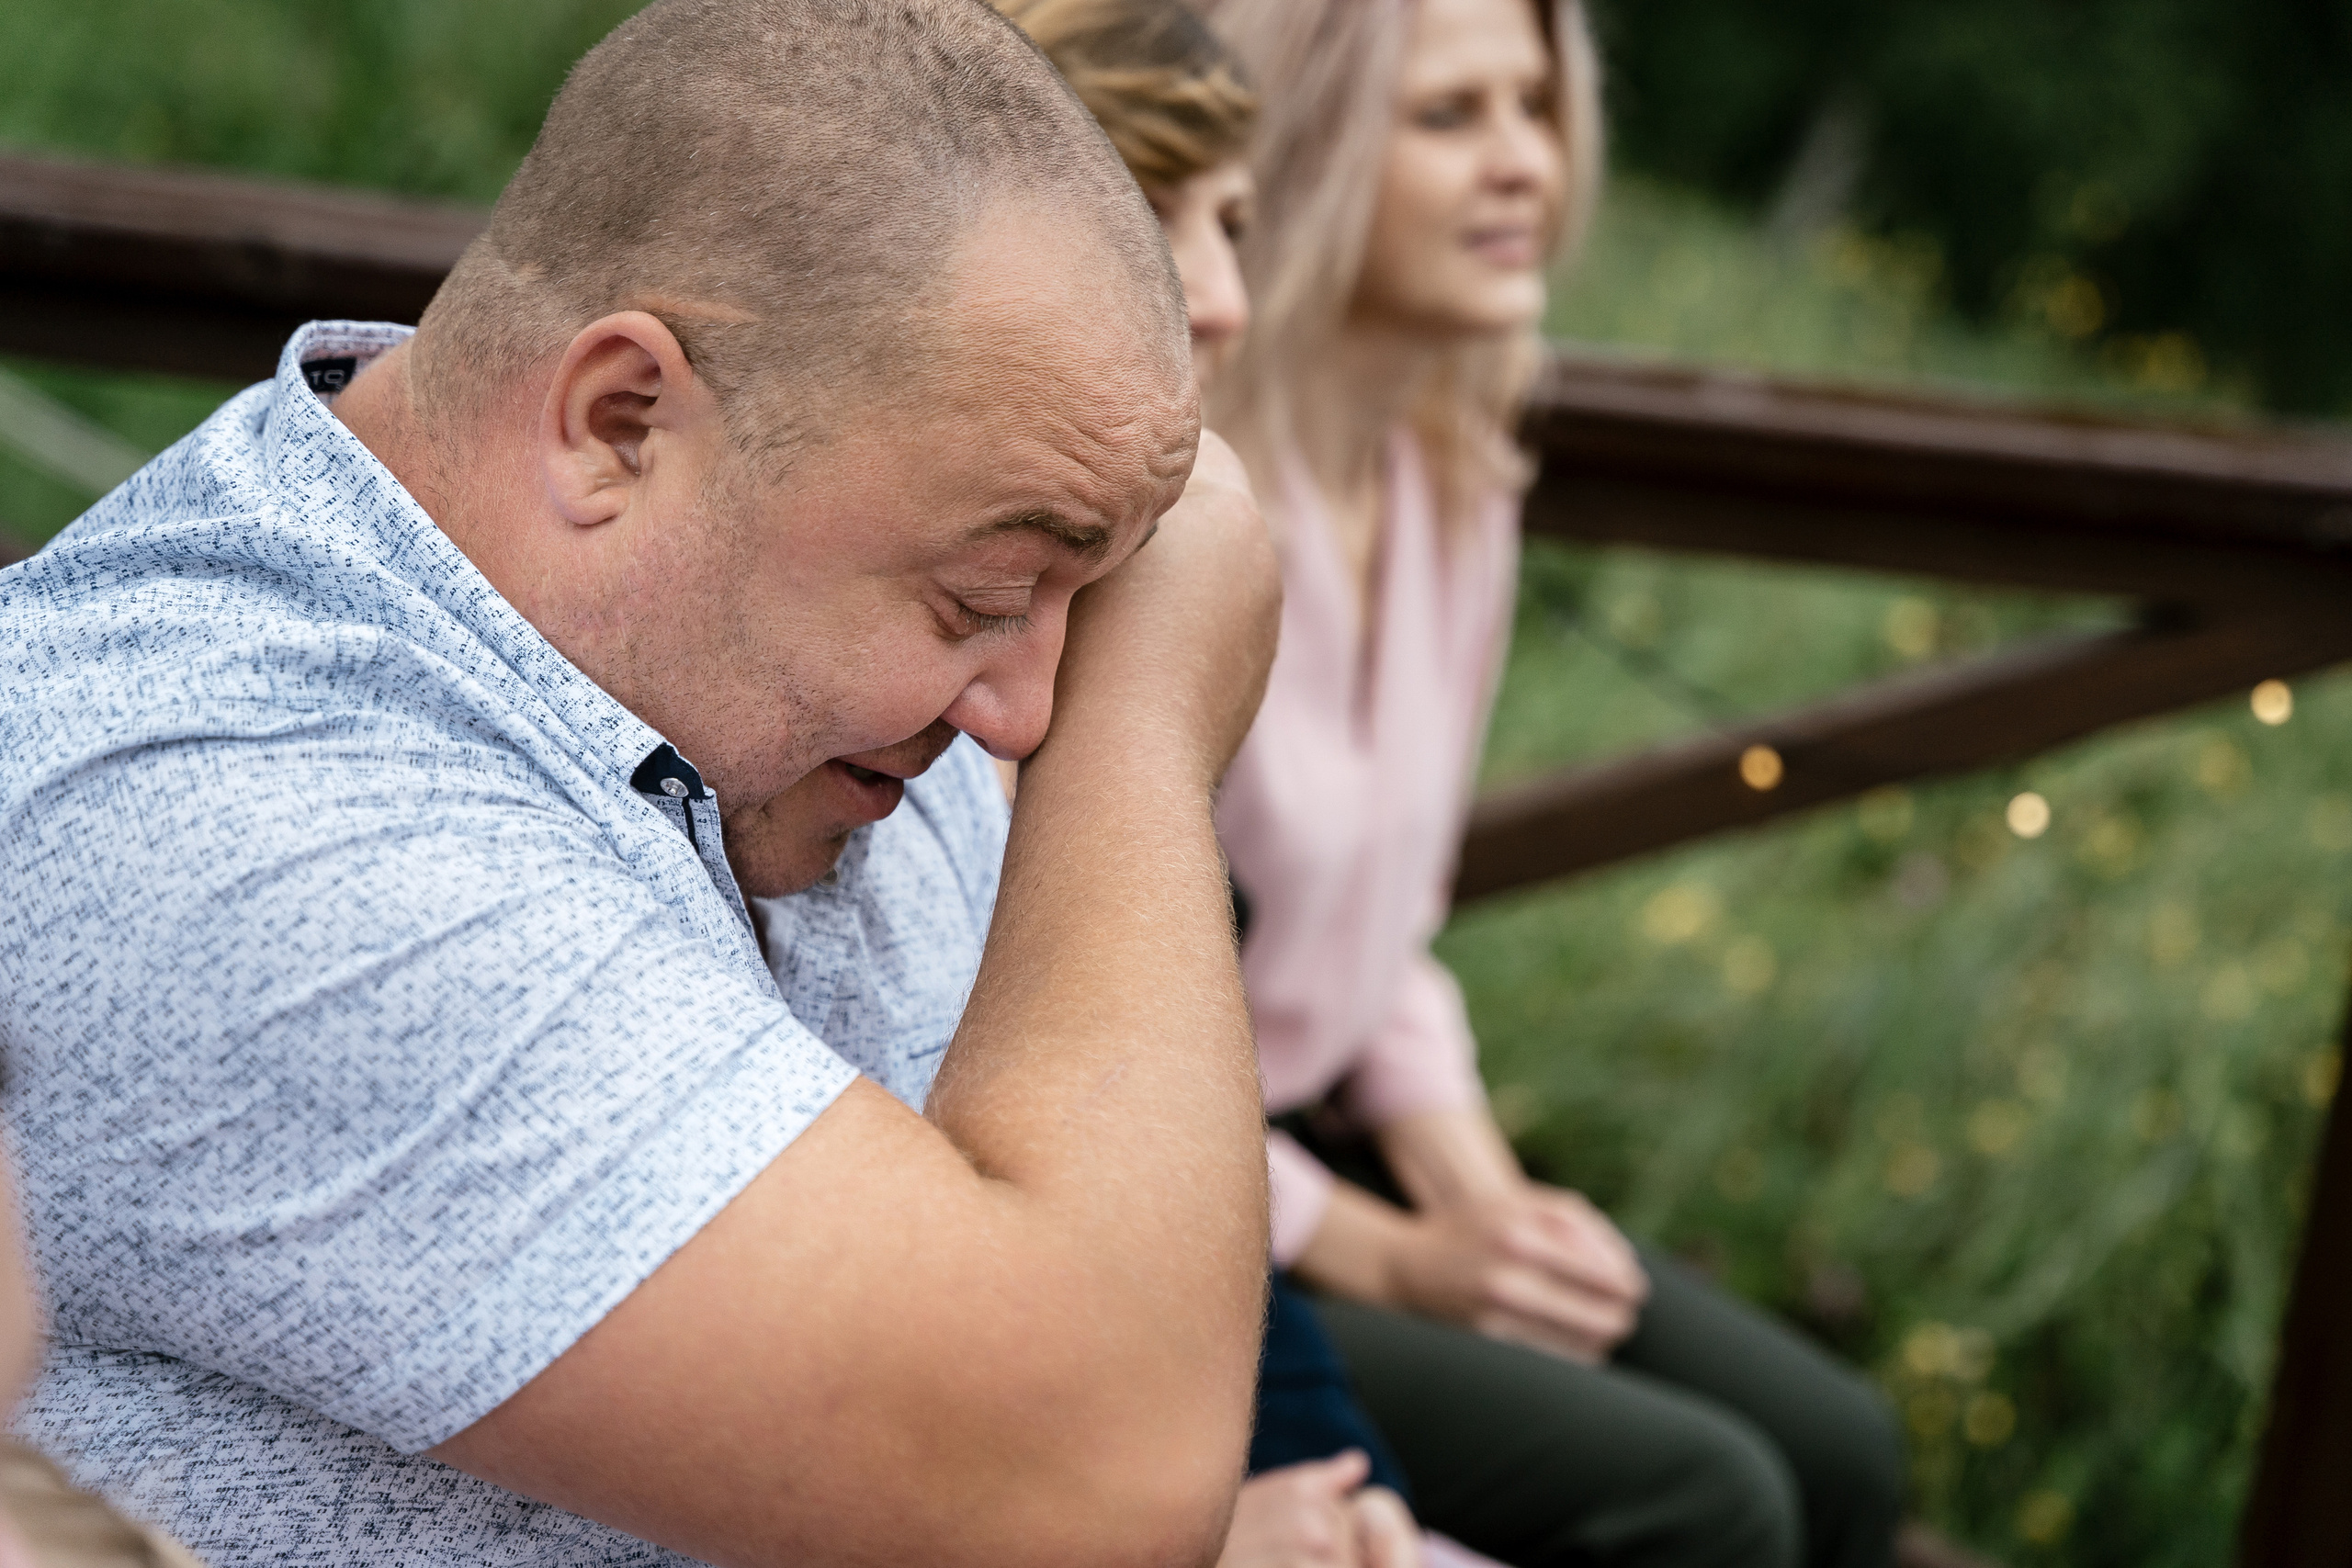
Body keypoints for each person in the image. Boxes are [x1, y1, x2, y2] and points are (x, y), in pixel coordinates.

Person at [0, 1, 1283, 1563]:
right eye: (980, 597)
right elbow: (1097, 1479)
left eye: (1088, 606)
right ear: (620, 423)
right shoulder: (232, 821)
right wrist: (1149, 728)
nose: (1029, 717)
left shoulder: (783, 673)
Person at [1200, 0, 1910, 1564]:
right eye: (1451, 116)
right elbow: (1059, 1002)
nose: (1528, 161)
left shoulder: (1450, 478)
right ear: (1303, 146)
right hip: (1178, 1199)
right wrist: (1390, 1257)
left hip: (1341, 1145)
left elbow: (1388, 936)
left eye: (1535, 106)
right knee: (1705, 1501)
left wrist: (1488, 1204)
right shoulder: (1181, 503)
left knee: (1845, 1450)